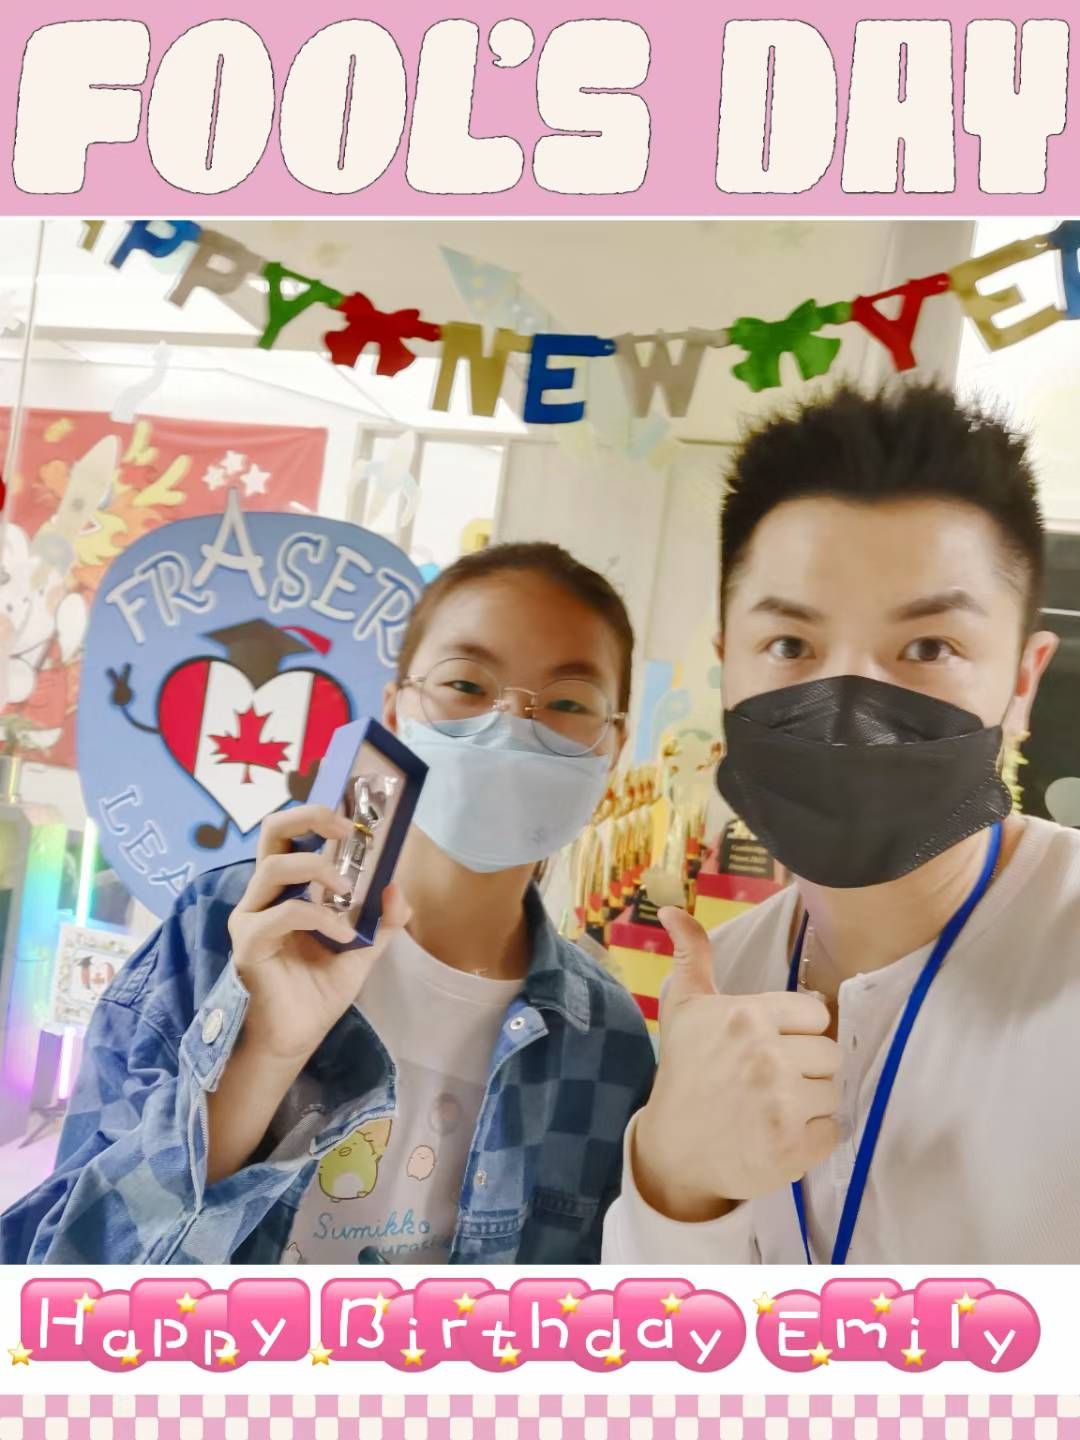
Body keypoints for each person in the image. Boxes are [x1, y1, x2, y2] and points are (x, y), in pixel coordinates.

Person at [2, 542, 655, 1265]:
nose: (509, 726)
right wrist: (261, 1055)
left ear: (614, 746)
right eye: (466, 684)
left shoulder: (609, 1041)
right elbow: (63, 1279)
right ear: (396, 710)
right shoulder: (228, 934)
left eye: (567, 703)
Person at [603, 382, 1080, 1264]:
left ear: (1023, 680)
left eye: (929, 647)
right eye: (791, 647)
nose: (851, 707)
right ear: (727, 664)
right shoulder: (726, 980)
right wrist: (673, 1182)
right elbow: (658, 1335)